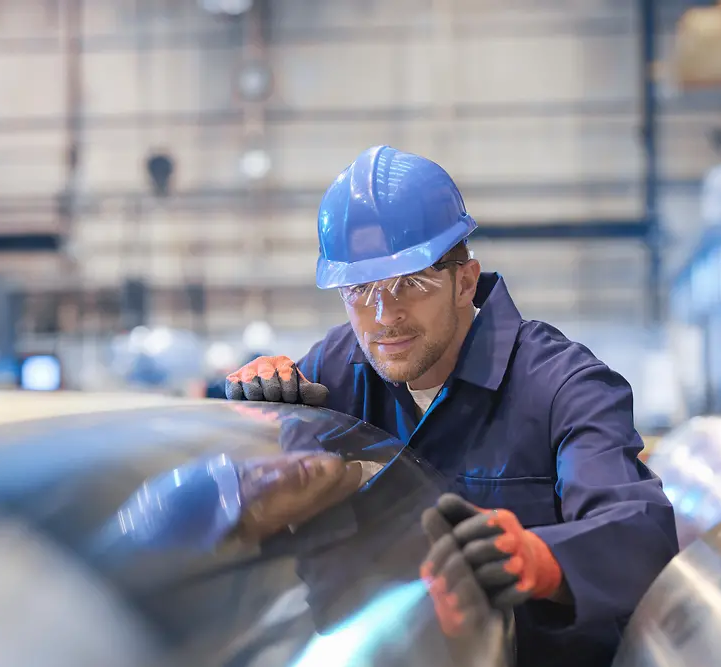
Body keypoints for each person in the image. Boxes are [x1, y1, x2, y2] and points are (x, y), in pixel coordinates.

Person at [224, 145, 678, 667]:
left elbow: (639, 531)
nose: (383, 316)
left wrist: (541, 559)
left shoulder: (562, 387)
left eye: (409, 284)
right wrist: (259, 400)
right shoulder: (331, 374)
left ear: (464, 280)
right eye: (359, 289)